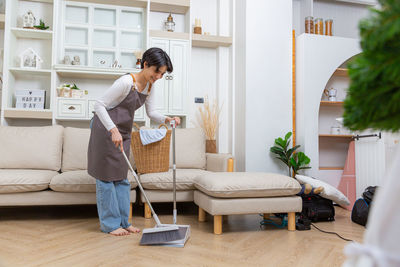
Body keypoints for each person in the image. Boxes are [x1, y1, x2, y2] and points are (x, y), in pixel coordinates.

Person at [87, 47, 180, 236]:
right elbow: (99, 105)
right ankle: (110, 225)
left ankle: (124, 222)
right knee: (106, 179)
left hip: (123, 131)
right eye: (157, 72)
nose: (158, 77)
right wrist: (112, 129)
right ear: (145, 65)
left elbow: (151, 113)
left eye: (162, 74)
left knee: (121, 179)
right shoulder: (125, 82)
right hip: (105, 129)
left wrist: (166, 119)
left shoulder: (150, 86)